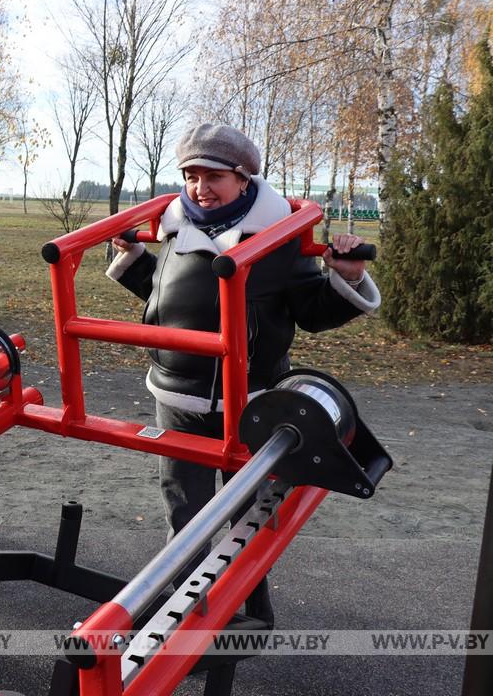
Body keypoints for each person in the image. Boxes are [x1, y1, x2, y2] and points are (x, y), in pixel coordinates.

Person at [105, 123, 381, 625]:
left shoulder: (277, 238)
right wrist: (135, 259)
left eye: (213, 177)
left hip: (249, 402)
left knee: (248, 517)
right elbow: (165, 299)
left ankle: (251, 607)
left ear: (243, 177)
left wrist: (348, 277)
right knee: (183, 512)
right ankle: (181, 612)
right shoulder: (174, 226)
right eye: (190, 176)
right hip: (176, 401)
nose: (199, 189)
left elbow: (312, 312)